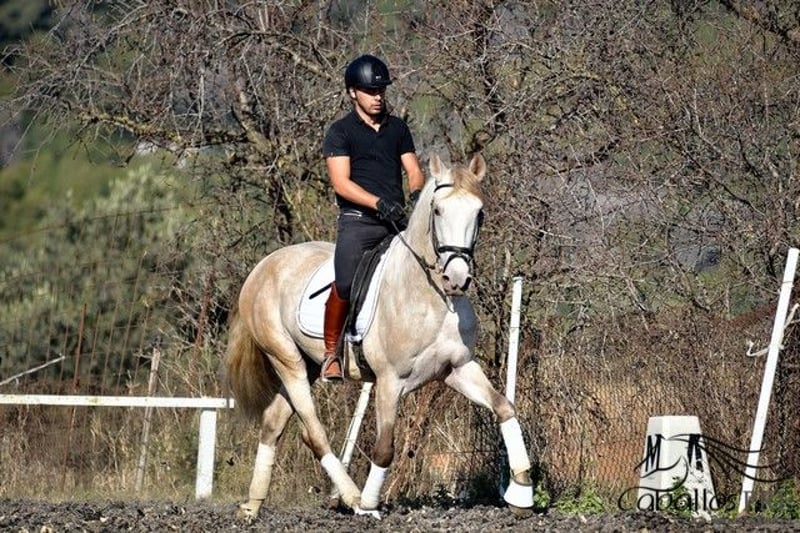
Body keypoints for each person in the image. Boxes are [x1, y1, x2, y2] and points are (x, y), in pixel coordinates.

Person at [320, 54, 425, 382]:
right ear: (353, 92)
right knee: (346, 281)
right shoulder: (340, 132)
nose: (378, 97)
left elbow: (413, 170)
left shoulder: (398, 128)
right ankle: (331, 352)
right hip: (359, 222)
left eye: (381, 91)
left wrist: (417, 194)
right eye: (370, 91)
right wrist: (378, 203)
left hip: (395, 221)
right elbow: (341, 183)